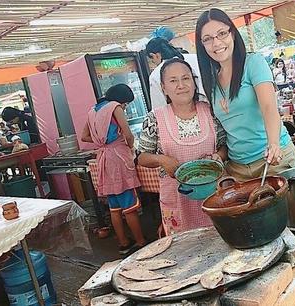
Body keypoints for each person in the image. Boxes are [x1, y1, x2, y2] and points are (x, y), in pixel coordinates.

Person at [195, 8, 295, 181]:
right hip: (237, 169)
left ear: (233, 34)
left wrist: (273, 143)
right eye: (208, 39)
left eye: (222, 34)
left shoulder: (253, 63)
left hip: (273, 160)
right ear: (202, 45)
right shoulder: (210, 82)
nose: (216, 43)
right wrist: (218, 156)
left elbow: (268, 107)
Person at [137, 58, 227, 235]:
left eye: (186, 78)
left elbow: (224, 146)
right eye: (173, 80)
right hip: (176, 200)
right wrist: (161, 159)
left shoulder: (210, 111)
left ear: (194, 82)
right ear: (164, 88)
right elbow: (141, 157)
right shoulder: (154, 118)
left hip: (213, 195)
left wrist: (219, 156)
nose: (181, 85)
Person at [81, 84, 146, 255]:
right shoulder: (115, 107)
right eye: (126, 103)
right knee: (129, 205)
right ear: (121, 99)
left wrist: (101, 142)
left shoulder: (92, 111)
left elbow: (84, 136)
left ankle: (123, 243)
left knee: (114, 207)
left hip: (103, 158)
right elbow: (129, 134)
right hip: (118, 158)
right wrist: (129, 147)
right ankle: (140, 241)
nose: (126, 106)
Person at [145, 38, 206, 110]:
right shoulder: (196, 58)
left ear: (155, 55)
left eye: (152, 61)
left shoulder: (156, 75)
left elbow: (159, 107)